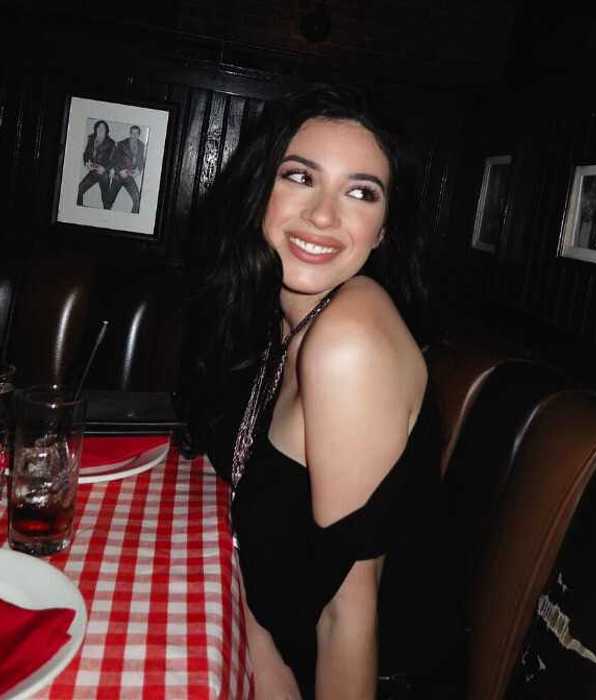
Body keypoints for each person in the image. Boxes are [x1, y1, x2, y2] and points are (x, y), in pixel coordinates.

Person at [181, 87, 462, 699]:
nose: (324, 216)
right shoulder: (280, 318)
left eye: (361, 192)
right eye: (300, 177)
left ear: (384, 230)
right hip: (272, 642)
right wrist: (255, 642)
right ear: (262, 191)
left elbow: (346, 618)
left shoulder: (348, 339)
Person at [76, 119, 115, 207]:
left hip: (103, 173)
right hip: (93, 171)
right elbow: (86, 153)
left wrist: (105, 168)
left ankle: (106, 216)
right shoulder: (91, 138)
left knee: (106, 199)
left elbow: (113, 160)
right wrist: (87, 162)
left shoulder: (111, 143)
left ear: (106, 130)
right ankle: (79, 209)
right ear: (95, 129)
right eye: (99, 127)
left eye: (103, 128)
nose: (101, 129)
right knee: (79, 189)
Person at [108, 125, 146, 213]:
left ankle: (132, 221)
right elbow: (114, 158)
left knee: (137, 200)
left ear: (139, 134)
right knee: (109, 201)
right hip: (118, 176)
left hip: (129, 177)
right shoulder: (121, 144)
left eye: (136, 133)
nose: (134, 135)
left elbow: (141, 161)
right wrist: (119, 170)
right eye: (132, 133)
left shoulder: (142, 145)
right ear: (130, 134)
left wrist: (139, 170)